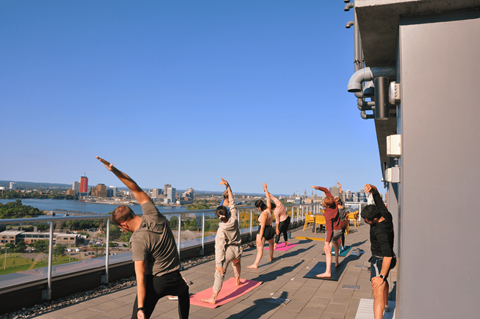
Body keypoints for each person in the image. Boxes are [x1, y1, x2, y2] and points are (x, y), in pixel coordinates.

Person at [96, 157, 189, 319]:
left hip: (157, 282)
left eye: (120, 228)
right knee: (184, 292)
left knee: (138, 316)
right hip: (175, 276)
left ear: (124, 224)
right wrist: (114, 170)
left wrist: (140, 307)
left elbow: (140, 277)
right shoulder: (153, 214)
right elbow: (135, 188)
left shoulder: (138, 240)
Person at [201, 178, 243, 304]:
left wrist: (218, 264)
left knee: (219, 274)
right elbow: (233, 204)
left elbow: (219, 247)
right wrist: (229, 187)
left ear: (218, 217)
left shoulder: (221, 230)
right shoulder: (234, 218)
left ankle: (213, 297)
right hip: (239, 249)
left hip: (229, 250)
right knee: (236, 263)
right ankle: (238, 280)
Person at [362, 184, 396, 319]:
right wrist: (372, 188)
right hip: (389, 259)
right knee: (384, 282)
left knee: (377, 291)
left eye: (367, 221)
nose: (366, 222)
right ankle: (386, 305)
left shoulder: (380, 232)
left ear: (374, 219)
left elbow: (387, 255)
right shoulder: (385, 214)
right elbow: (377, 197)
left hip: (381, 261)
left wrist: (380, 276)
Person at [311, 185, 343, 278]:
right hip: (339, 230)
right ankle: (337, 261)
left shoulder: (328, 214)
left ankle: (327, 272)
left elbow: (329, 230)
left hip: (334, 232)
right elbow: (326, 190)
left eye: (323, 203)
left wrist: (326, 243)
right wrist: (317, 187)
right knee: (336, 243)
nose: (322, 202)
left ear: (327, 205)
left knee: (327, 250)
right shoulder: (334, 202)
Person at [247, 183, 275, 269]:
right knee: (271, 243)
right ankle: (271, 257)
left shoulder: (264, 214)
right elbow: (268, 198)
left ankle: (255, 264)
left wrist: (259, 238)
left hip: (264, 230)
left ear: (259, 208)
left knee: (260, 247)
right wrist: (266, 189)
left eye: (257, 208)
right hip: (270, 229)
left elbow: (262, 227)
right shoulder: (269, 208)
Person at [263, 183, 290, 249]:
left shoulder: (276, 212)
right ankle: (286, 243)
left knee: (278, 233)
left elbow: (277, 222)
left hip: (282, 221)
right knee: (285, 231)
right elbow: (271, 196)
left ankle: (275, 245)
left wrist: (277, 229)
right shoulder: (278, 203)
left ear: (272, 209)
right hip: (288, 218)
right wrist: (266, 190)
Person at [335, 182, 348, 250]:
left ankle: (338, 249)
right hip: (344, 222)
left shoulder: (335, 208)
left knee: (337, 235)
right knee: (342, 234)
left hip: (339, 223)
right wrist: (340, 187)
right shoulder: (343, 206)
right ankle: (342, 246)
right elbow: (341, 195)